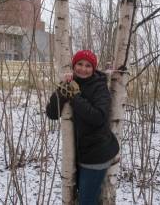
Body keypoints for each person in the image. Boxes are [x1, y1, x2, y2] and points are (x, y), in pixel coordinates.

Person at [46, 50, 119, 205]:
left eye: (88, 66)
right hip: (79, 153)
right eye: (79, 64)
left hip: (97, 154)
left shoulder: (100, 87)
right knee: (88, 197)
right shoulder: (72, 83)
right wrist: (62, 89)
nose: (83, 69)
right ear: (74, 65)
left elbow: (98, 117)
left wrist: (74, 97)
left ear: (93, 68)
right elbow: (52, 113)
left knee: (86, 201)